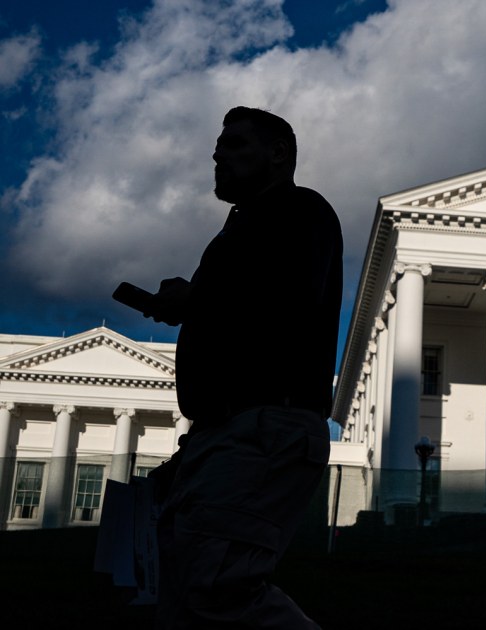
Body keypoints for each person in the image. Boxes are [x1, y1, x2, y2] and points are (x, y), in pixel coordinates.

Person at [147, 106, 342, 628]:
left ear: (278, 153)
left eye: (234, 146)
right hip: (221, 430)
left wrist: (195, 300)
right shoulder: (237, 229)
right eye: (216, 150)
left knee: (217, 587)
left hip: (264, 425)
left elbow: (289, 302)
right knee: (182, 596)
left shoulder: (301, 210)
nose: (218, 158)